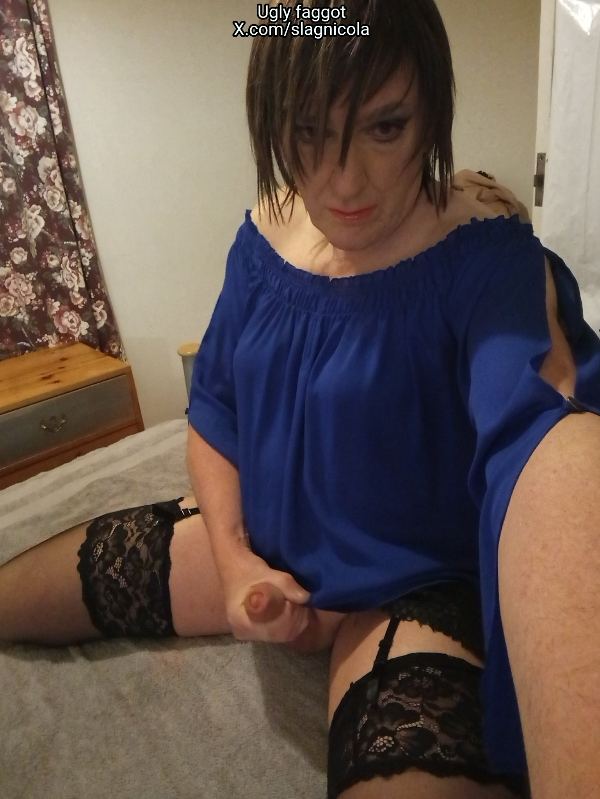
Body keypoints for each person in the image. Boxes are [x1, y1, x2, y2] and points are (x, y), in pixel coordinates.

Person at [2, 1, 600, 797]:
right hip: (268, 546)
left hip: (416, 582)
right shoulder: (264, 236)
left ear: (431, 110)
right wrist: (233, 560)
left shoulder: (489, 263)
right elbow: (215, 413)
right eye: (309, 132)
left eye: (385, 127)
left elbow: (541, 449)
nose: (344, 181)